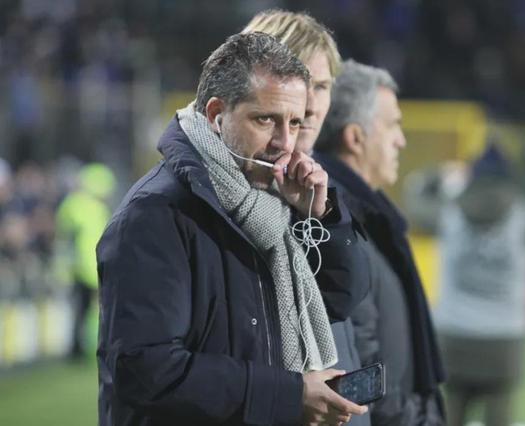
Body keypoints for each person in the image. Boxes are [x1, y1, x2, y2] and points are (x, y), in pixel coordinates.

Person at [96, 32, 368, 426]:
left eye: (294, 122)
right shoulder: (153, 215)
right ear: (215, 115)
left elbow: (341, 300)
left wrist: (320, 215)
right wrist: (289, 395)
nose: (285, 143)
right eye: (265, 119)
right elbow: (146, 369)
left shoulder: (276, 202)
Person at [242, 11, 370, 426]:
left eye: (322, 86)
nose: (312, 105)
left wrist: (324, 215)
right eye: (301, 82)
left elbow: (348, 303)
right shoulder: (228, 195)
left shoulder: (325, 189)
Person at [315, 60, 446, 426]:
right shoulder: (339, 220)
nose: (401, 140)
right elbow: (362, 363)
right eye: (392, 125)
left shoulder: (367, 216)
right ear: (355, 137)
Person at [434, 143, 525, 426]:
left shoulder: (451, 207)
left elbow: (415, 201)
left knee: (451, 414)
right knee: (499, 416)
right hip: (505, 334)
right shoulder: (524, 212)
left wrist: (442, 178)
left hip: (455, 331)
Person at [56, 162, 115, 359]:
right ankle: (85, 346)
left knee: (83, 310)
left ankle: (81, 346)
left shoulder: (74, 204)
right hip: (88, 267)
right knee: (90, 309)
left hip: (83, 267)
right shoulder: (90, 207)